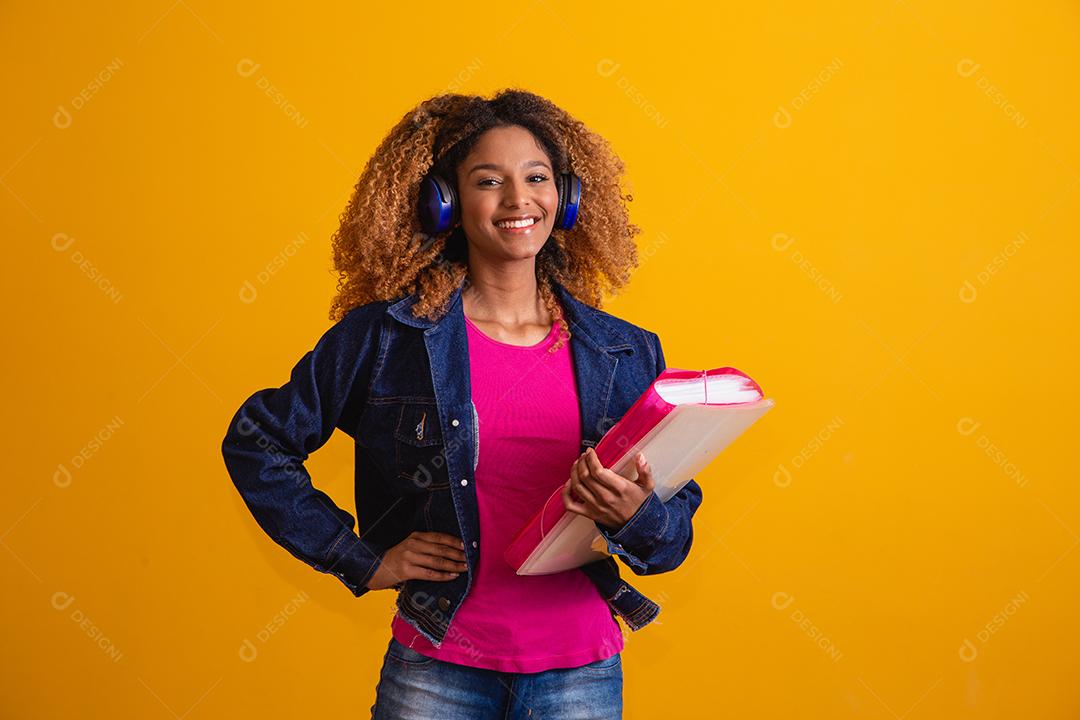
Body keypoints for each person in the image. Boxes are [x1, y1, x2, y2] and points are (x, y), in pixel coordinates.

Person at [221, 88, 703, 720]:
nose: (517, 200)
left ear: (567, 197)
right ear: (444, 201)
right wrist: (361, 559)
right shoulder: (386, 338)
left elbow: (671, 543)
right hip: (438, 669)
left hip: (580, 674)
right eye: (487, 180)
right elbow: (259, 441)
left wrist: (635, 515)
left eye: (536, 178)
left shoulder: (626, 352)